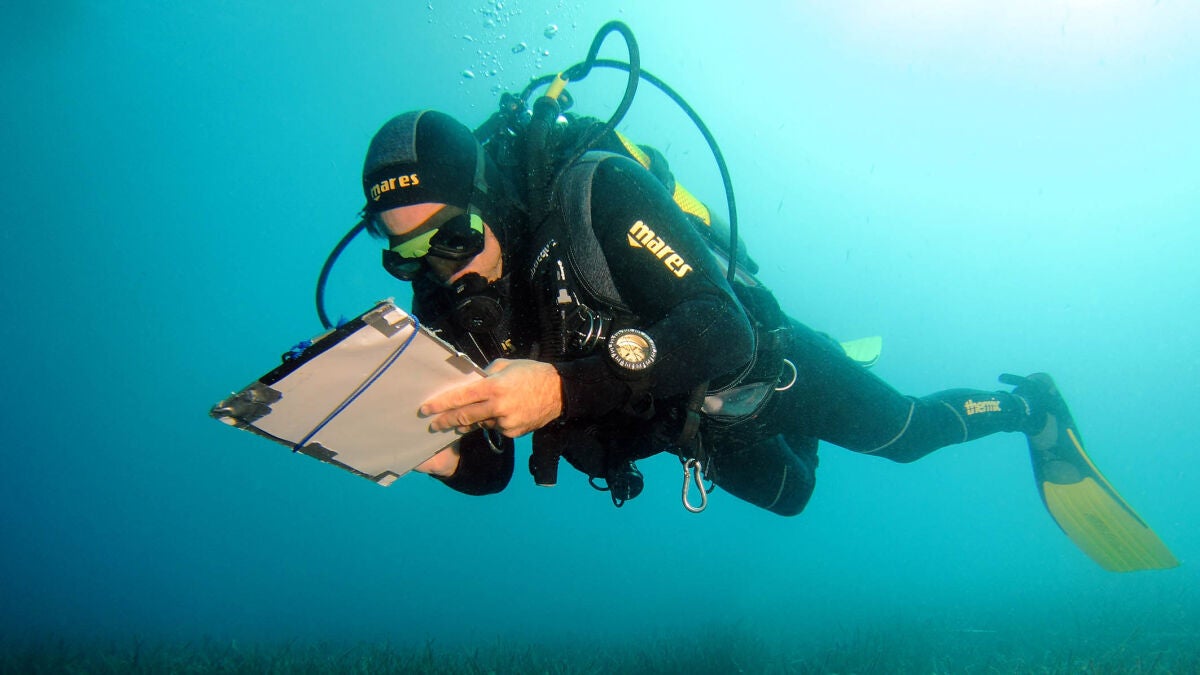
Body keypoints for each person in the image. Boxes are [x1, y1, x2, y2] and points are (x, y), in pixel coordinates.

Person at [355, 108, 1064, 518]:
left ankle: (1032, 406)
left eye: (453, 236)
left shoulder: (597, 194)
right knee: (794, 497)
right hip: (691, 424)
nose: (442, 269)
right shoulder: (442, 293)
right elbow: (491, 468)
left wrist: (564, 390)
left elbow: (723, 330)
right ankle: (822, 398)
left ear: (487, 195)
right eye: (407, 255)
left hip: (761, 366)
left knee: (905, 434)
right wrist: (440, 456)